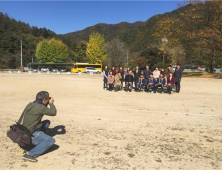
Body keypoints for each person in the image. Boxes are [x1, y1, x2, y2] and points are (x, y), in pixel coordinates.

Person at [22, 91, 57, 162]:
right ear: (44, 100)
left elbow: (42, 108)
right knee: (51, 140)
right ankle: (30, 154)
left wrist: (47, 102)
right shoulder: (41, 107)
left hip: (24, 131)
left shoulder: (30, 104)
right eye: (47, 99)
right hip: (31, 133)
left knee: (47, 122)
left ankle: (39, 142)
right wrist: (51, 104)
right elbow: (53, 113)